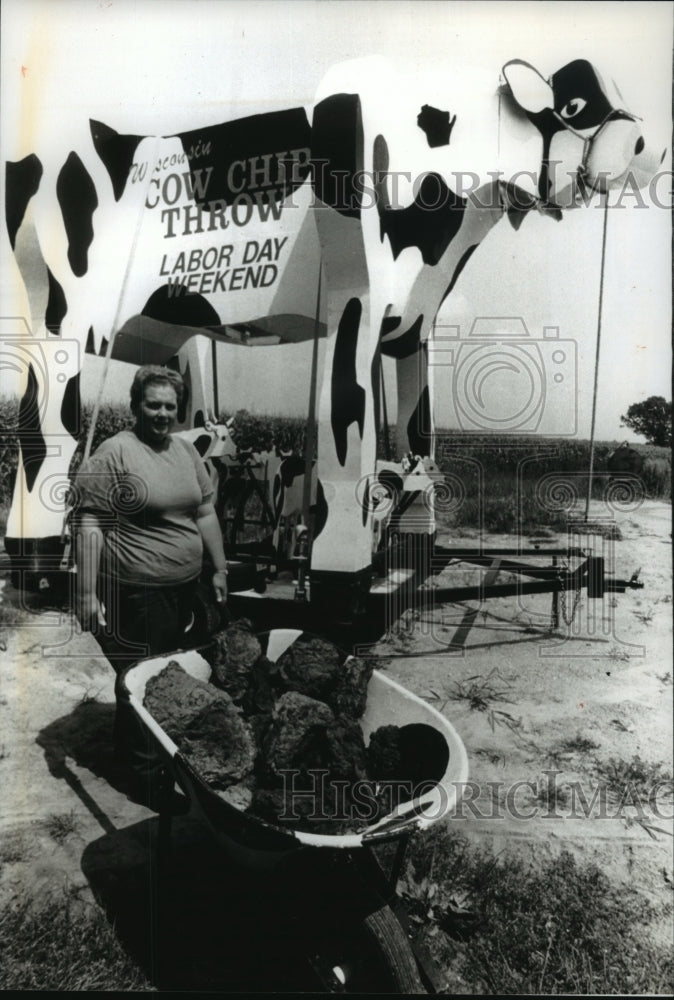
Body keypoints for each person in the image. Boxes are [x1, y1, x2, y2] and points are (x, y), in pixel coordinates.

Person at [74, 365, 229, 809]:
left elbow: (203, 513)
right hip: (137, 590)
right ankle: (144, 780)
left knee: (166, 675)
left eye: (169, 406)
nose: (162, 413)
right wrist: (86, 593)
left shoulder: (184, 452)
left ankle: (143, 755)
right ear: (136, 405)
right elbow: (89, 523)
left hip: (185, 587)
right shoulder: (115, 453)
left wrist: (218, 569)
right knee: (148, 681)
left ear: (178, 409)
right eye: (152, 404)